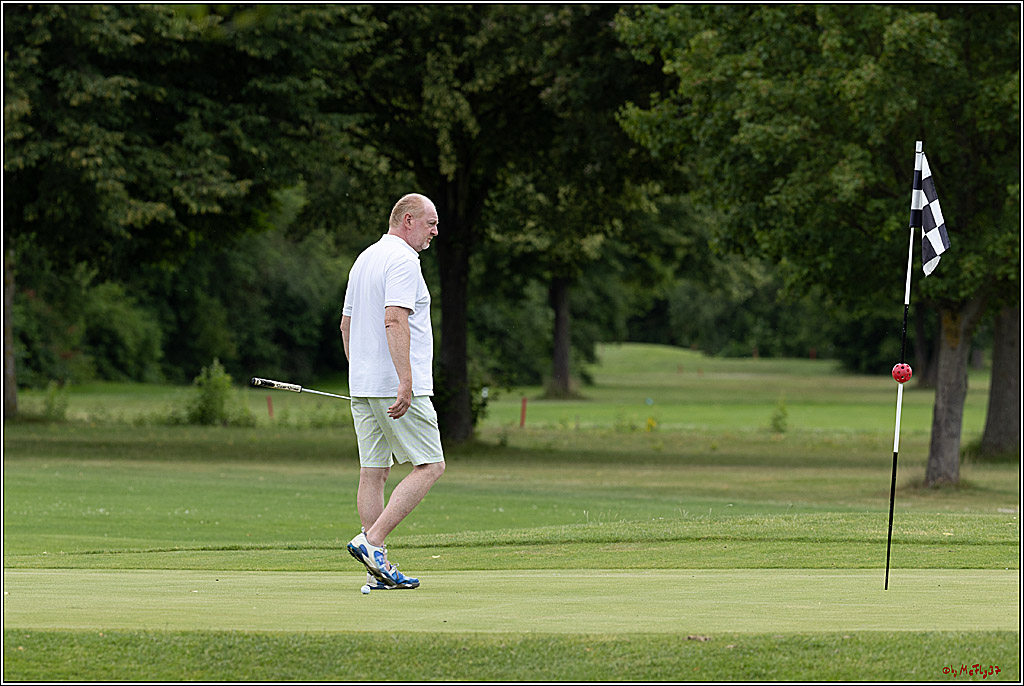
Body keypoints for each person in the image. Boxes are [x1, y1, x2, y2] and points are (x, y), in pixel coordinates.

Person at [340, 193, 445, 590]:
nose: (435, 231)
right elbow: (394, 318)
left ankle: (377, 568)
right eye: (430, 223)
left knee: (374, 472)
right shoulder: (403, 260)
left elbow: (345, 327)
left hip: (364, 386)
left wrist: (361, 376)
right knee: (431, 465)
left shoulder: (365, 258)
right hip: (397, 385)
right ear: (407, 221)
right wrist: (404, 379)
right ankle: (373, 541)